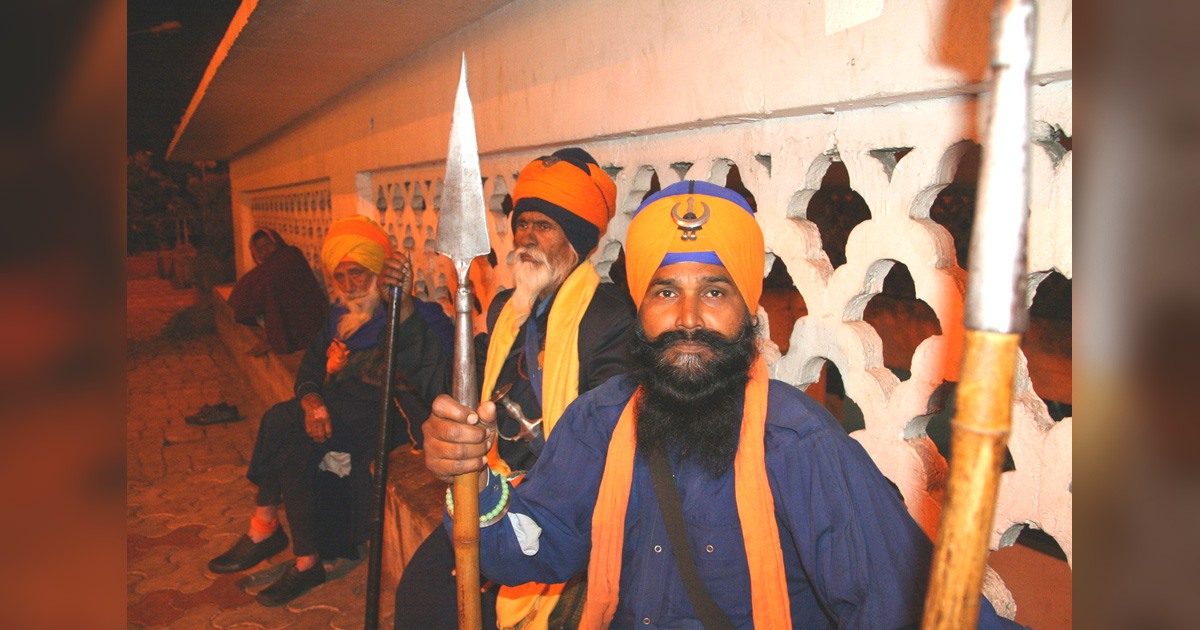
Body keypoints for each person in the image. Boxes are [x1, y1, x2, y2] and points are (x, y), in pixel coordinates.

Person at [423, 181, 1027, 629]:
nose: (688, 319)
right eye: (666, 292)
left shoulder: (798, 444)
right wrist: (469, 478)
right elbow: (530, 543)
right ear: (640, 307)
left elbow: (906, 604)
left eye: (714, 292)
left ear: (749, 313)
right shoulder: (599, 420)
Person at [381, 148, 637, 630]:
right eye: (521, 225)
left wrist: (527, 491)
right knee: (421, 593)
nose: (525, 238)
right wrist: (409, 312)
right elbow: (458, 391)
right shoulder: (504, 309)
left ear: (577, 241)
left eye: (544, 226)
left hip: (561, 505)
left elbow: (604, 443)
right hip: (487, 485)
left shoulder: (610, 317)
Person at [207, 216, 453, 607]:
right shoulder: (339, 318)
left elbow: (436, 378)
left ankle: (264, 528)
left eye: (358, 273)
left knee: (276, 420)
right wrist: (316, 392)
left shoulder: (420, 316)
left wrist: (366, 359)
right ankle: (306, 561)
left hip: (388, 418)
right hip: (340, 413)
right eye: (340, 277)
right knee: (294, 446)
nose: (349, 285)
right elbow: (306, 371)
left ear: (379, 272)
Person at [227, 228, 328, 355]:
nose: (265, 251)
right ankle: (270, 337)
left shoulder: (292, 255)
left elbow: (272, 275)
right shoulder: (266, 269)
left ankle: (273, 339)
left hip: (307, 318)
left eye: (268, 245)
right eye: (259, 249)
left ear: (277, 242)